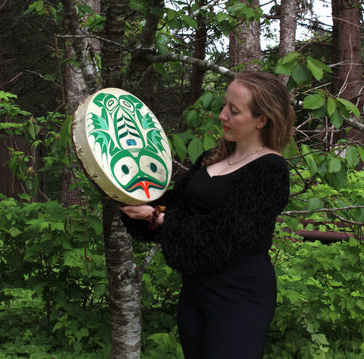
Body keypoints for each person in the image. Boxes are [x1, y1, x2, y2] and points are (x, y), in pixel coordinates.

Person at [120, 70, 295, 359]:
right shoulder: (212, 158)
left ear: (261, 120)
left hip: (240, 296)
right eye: (224, 105)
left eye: (234, 110)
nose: (222, 115)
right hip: (195, 292)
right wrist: (132, 198)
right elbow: (171, 206)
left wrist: (159, 217)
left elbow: (224, 235)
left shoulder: (271, 171)